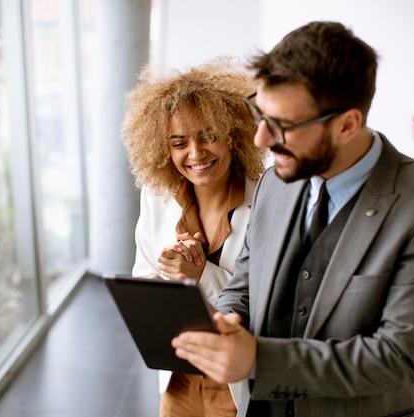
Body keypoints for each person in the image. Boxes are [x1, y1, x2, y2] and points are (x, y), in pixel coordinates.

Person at [171, 21, 414, 417]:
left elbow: (398, 358)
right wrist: (224, 322)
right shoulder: (275, 182)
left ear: (347, 124)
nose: (261, 138)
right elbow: (245, 285)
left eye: (281, 125)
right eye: (259, 113)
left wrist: (257, 360)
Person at [121, 57, 267, 417]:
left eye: (209, 136)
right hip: (180, 375)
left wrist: (200, 276)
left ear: (234, 133)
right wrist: (164, 281)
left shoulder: (268, 200)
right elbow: (143, 274)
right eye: (179, 142)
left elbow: (267, 304)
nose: (196, 153)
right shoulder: (156, 197)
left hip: (235, 383)